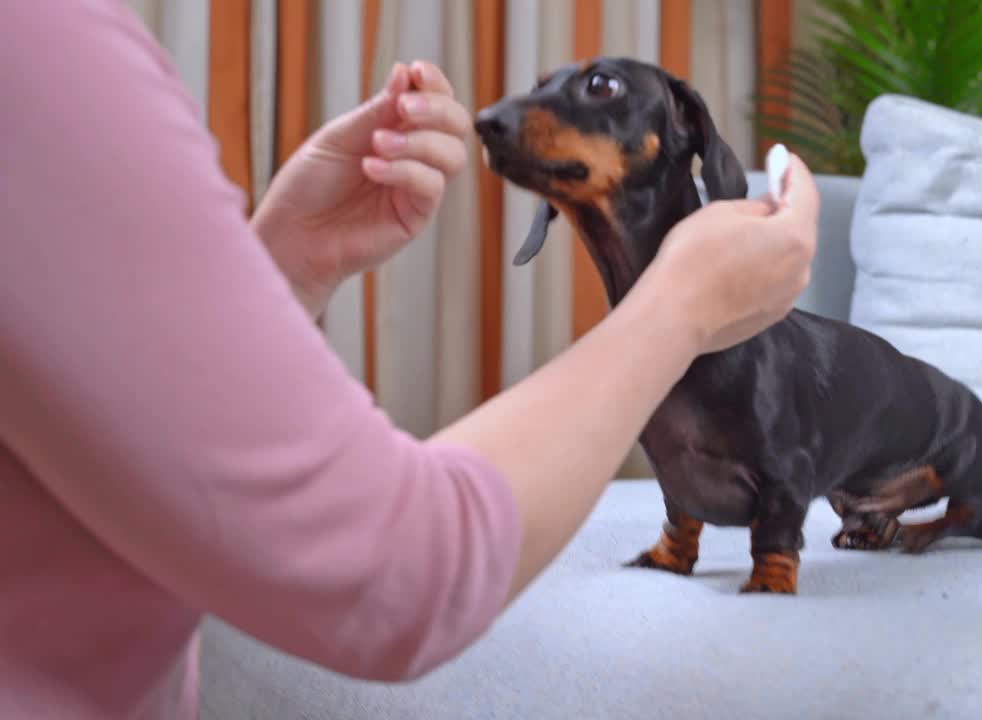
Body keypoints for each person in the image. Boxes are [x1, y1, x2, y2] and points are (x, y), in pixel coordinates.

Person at [0, 3, 819, 718]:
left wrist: (285, 262)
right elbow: (391, 570)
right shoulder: (36, 40)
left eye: (598, 91)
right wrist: (681, 307)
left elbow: (123, 423)